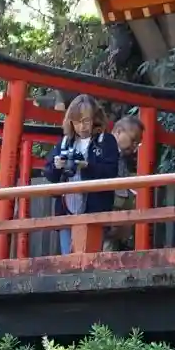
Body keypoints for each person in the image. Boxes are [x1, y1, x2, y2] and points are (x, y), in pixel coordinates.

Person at [43, 95, 122, 254]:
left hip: (94, 210)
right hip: (67, 209)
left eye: (86, 121)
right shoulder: (65, 142)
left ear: (95, 119)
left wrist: (86, 166)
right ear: (70, 122)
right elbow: (49, 174)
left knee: (90, 257)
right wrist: (57, 166)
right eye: (77, 122)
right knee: (68, 257)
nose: (82, 126)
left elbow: (111, 172)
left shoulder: (106, 141)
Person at [105, 114, 146, 252]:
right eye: (133, 140)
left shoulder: (122, 157)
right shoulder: (102, 151)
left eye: (137, 143)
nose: (135, 146)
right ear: (118, 132)